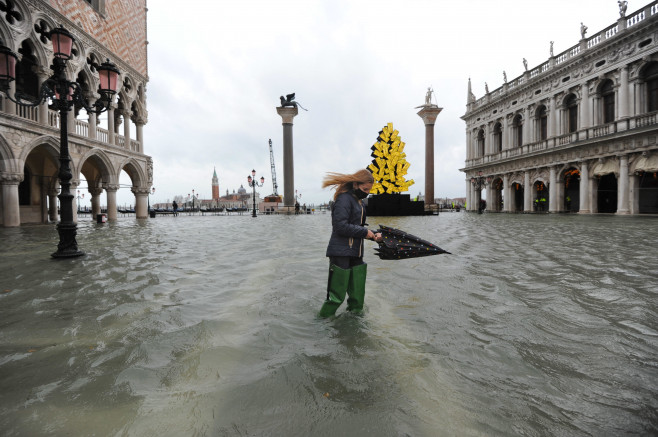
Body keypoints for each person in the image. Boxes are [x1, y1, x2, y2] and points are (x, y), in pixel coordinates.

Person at [319, 169, 382, 317]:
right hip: (340, 253)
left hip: (356, 253)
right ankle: (322, 327)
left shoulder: (359, 202)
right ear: (355, 184)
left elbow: (357, 227)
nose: (366, 193)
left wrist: (373, 235)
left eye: (369, 190)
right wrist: (364, 232)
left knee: (357, 298)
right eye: (365, 189)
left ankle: (354, 328)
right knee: (336, 298)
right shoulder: (344, 199)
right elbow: (340, 226)